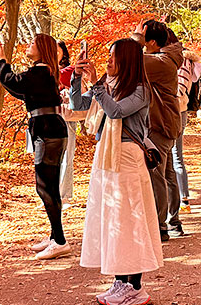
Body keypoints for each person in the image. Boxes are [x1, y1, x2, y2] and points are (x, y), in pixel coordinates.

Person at [69, 39, 163, 305]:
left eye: (113, 57)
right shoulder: (108, 86)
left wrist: (97, 84)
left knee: (130, 220)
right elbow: (78, 106)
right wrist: (78, 78)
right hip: (106, 157)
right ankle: (119, 282)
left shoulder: (141, 90)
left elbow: (116, 111)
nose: (108, 61)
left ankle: (135, 286)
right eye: (108, 55)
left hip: (128, 158)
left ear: (127, 60)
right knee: (113, 221)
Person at [0, 34, 70, 260]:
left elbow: (12, 81)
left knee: (45, 187)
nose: (28, 46)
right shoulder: (44, 73)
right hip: (50, 129)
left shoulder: (40, 71)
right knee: (49, 186)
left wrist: (2, 61)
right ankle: (55, 235)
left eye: (32, 44)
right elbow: (20, 90)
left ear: (42, 49)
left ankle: (59, 240)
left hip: (47, 132)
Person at [131, 20, 184, 240]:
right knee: (168, 174)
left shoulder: (160, 62)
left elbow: (128, 60)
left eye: (143, 39)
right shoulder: (165, 58)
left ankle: (160, 226)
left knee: (156, 176)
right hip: (165, 123)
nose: (141, 44)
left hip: (159, 124)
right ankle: (172, 221)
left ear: (151, 42)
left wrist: (134, 39)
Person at [170, 31, 201, 215]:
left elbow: (179, 89)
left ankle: (182, 199)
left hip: (175, 112)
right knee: (176, 157)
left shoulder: (182, 61)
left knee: (175, 157)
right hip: (180, 111)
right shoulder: (188, 61)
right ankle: (181, 198)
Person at [57, 41, 83, 210]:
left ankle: (64, 196)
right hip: (50, 118)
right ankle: (54, 195)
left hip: (66, 117)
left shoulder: (68, 70)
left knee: (67, 157)